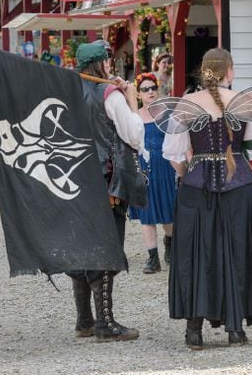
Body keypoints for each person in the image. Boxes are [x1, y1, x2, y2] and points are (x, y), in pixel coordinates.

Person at [152, 48, 252, 349]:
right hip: (239, 185)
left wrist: (188, 171)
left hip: (197, 187)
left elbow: (172, 153)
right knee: (238, 252)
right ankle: (236, 329)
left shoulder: (187, 103)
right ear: (229, 71)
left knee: (197, 255)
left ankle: (193, 330)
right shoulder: (245, 102)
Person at [69, 43, 146, 342]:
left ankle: (84, 321)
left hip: (75, 180)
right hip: (105, 181)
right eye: (108, 59)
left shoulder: (69, 90)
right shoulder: (109, 94)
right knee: (106, 247)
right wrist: (131, 100)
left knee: (81, 246)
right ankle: (105, 323)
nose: (111, 64)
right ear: (100, 62)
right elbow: (134, 135)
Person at [128, 72, 176, 274]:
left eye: (153, 88)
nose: (150, 92)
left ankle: (170, 243)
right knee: (147, 216)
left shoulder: (166, 113)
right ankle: (152, 258)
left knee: (168, 215)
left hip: (165, 167)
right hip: (144, 168)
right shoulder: (135, 115)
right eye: (145, 89)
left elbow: (177, 139)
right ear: (139, 94)